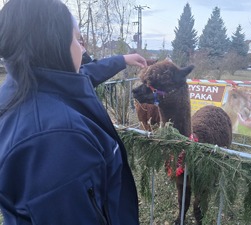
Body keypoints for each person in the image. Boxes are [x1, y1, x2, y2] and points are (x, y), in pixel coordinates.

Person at [0, 0, 147, 224]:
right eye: (77, 40)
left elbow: (85, 75)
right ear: (54, 43)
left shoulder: (23, 88)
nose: (83, 49)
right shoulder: (56, 141)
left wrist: (122, 60)